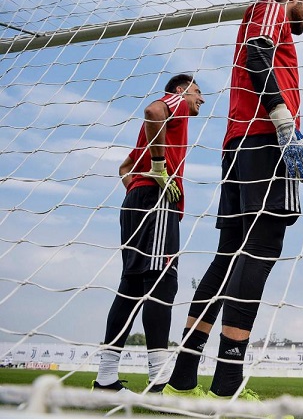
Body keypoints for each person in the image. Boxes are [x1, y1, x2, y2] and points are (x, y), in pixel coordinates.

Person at [163, 0, 303, 401]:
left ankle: (182, 380)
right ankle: (227, 384)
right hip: (265, 140)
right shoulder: (271, 11)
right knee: (261, 251)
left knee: (227, 257)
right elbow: (256, 56)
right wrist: (282, 119)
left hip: (238, 144)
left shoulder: (262, 20)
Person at [92, 74, 204, 394]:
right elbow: (154, 112)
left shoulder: (159, 131)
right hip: (156, 204)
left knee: (131, 285)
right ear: (182, 90)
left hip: (137, 202)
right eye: (198, 91)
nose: (201, 99)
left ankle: (106, 380)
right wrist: (158, 169)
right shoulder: (176, 103)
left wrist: (137, 186)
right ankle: (158, 383)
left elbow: (124, 167)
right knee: (161, 282)